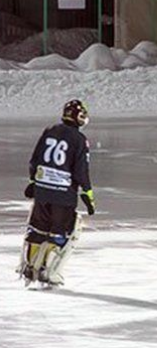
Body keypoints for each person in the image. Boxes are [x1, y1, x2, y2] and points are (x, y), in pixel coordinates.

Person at [18, 99, 96, 286]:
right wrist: (87, 193)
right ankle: (48, 271)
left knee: (37, 230)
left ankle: (30, 268)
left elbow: (34, 160)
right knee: (60, 233)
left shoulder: (50, 130)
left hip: (43, 192)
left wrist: (33, 182)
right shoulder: (79, 139)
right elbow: (80, 171)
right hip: (63, 195)